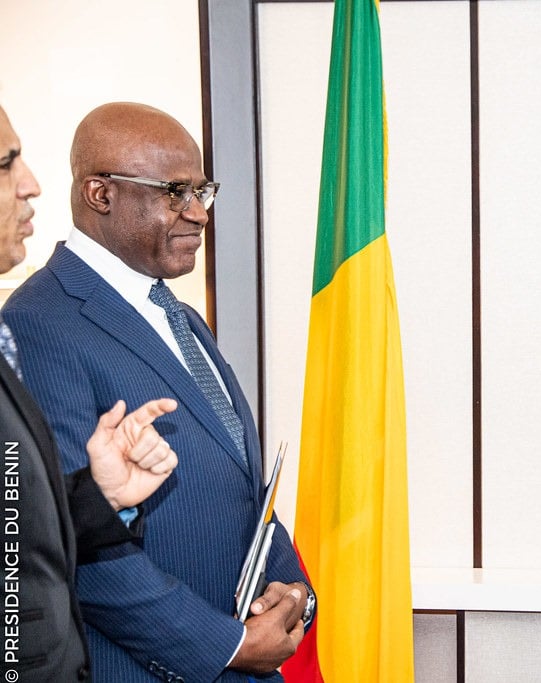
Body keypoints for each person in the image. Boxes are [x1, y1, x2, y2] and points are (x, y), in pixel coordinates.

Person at [3, 102, 314, 681]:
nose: (198, 213)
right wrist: (225, 646)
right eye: (175, 193)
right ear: (101, 194)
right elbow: (70, 538)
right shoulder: (37, 322)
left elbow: (241, 489)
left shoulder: (181, 316)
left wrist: (292, 591)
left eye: (202, 191)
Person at [0, 102, 180, 681]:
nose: (31, 184)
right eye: (5, 164)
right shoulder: (38, 318)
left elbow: (15, 533)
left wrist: (100, 495)